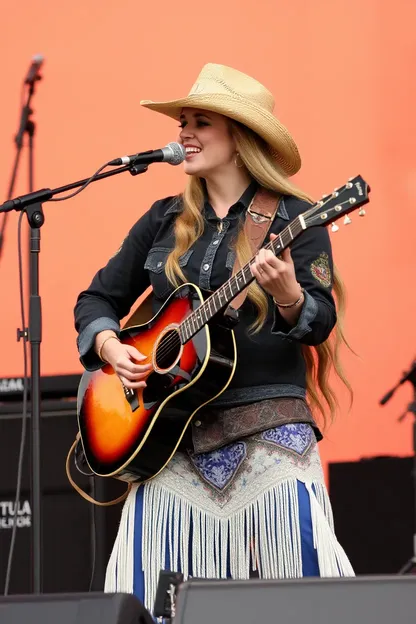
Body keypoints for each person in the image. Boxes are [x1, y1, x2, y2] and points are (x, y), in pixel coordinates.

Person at [74, 63, 354, 614]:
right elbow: (96, 301)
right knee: (146, 602)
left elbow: (320, 320)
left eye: (202, 122)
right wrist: (110, 347)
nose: (184, 133)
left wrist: (290, 295)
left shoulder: (297, 218)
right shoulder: (163, 219)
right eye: (183, 121)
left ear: (240, 137)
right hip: (170, 445)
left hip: (270, 444)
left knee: (300, 605)